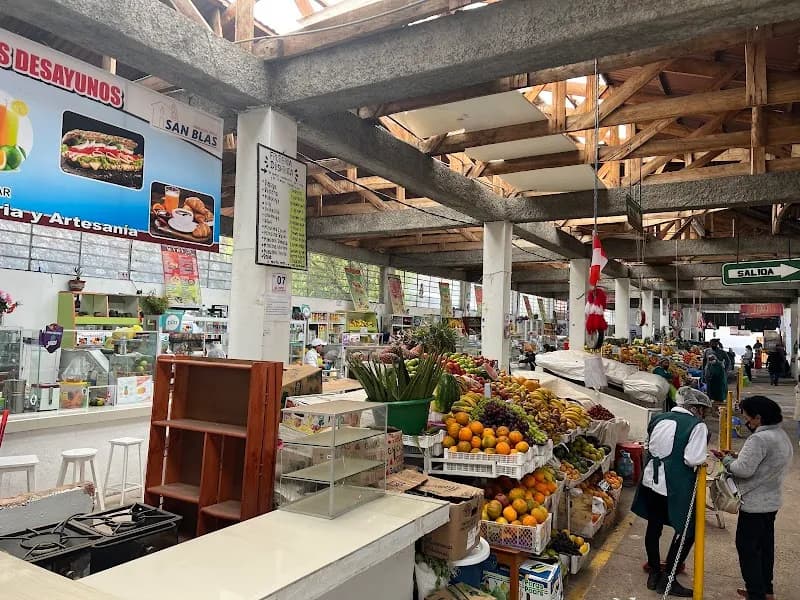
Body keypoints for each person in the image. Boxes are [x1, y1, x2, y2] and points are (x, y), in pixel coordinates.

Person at [631, 387, 711, 597]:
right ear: (694, 407)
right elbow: (693, 459)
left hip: (651, 480)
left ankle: (655, 570)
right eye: (702, 410)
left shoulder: (658, 418)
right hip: (676, 484)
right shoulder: (696, 426)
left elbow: (649, 445)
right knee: (687, 530)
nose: (703, 414)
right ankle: (668, 578)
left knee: (654, 526)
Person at [716, 396, 793, 600]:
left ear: (758, 418)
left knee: (748, 550)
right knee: (765, 548)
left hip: (754, 505)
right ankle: (765, 589)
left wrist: (726, 459)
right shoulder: (780, 435)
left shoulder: (759, 439)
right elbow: (764, 463)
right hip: (771, 502)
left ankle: (756, 593)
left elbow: (743, 470)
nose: (745, 422)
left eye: (746, 418)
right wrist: (737, 456)